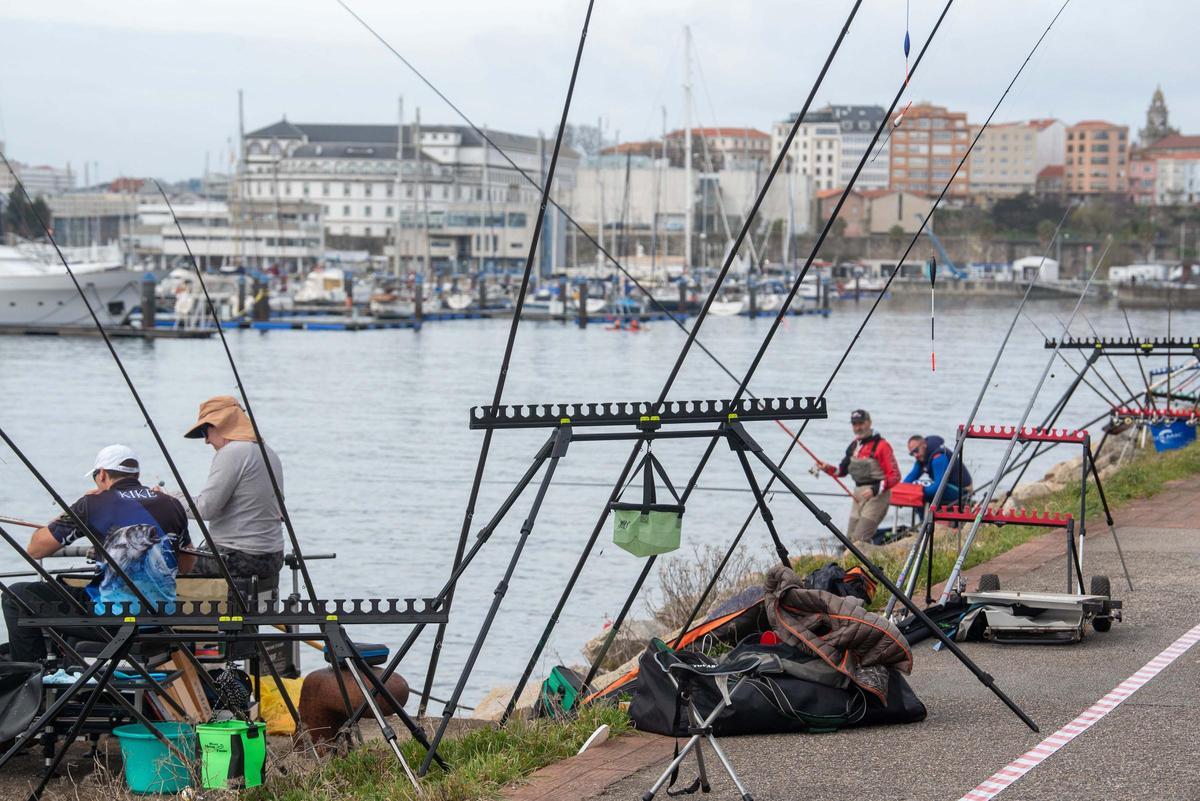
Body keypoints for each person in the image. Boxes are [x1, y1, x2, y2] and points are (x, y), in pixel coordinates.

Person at [2, 445, 192, 663]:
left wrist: (72, 509)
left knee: (16, 596)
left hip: (111, 620)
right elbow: (186, 565)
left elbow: (36, 549)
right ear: (136, 474)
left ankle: (30, 680)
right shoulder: (171, 503)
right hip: (160, 619)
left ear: (102, 474)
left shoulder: (92, 504)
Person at [174, 396, 285, 591]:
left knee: (162, 564)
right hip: (272, 557)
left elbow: (205, 510)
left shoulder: (233, 452)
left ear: (220, 424)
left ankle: (154, 620)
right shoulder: (268, 452)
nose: (206, 441)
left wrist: (169, 500)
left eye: (204, 431)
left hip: (238, 557)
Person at [816, 410, 901, 544]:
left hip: (878, 496)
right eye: (854, 424)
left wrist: (874, 490)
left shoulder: (882, 446)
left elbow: (895, 476)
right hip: (858, 495)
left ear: (869, 423)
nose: (858, 428)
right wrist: (828, 469)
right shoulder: (854, 446)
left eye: (861, 423)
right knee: (849, 539)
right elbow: (841, 471)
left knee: (860, 538)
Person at [903, 435, 973, 504]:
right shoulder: (921, 458)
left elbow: (938, 488)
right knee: (917, 486)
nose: (915, 455)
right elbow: (909, 479)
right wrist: (898, 490)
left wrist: (917, 490)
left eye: (916, 450)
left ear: (924, 445)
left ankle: (926, 514)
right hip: (946, 485)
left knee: (921, 493)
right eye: (912, 454)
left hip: (961, 491)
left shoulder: (938, 458)